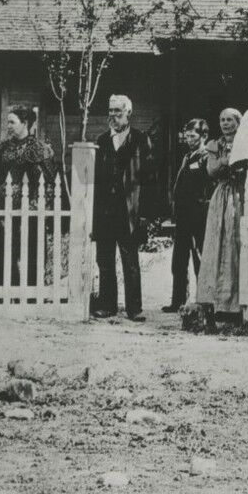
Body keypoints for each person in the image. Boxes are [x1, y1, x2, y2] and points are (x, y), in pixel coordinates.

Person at [92, 93, 152, 322]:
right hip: (105, 209)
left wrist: (145, 214)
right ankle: (107, 305)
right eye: (111, 111)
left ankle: (134, 308)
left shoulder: (140, 139)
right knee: (105, 259)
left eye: (118, 111)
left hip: (129, 210)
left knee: (130, 260)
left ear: (128, 112)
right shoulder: (102, 141)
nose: (113, 116)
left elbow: (148, 179)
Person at [194, 108, 245, 321]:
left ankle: (236, 303)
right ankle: (215, 302)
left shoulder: (245, 141)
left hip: (240, 195)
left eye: (230, 120)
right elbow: (212, 170)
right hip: (222, 194)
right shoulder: (215, 145)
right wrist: (226, 162)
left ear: (238, 122)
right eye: (222, 120)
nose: (226, 124)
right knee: (217, 243)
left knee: (236, 244)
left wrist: (228, 162)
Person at [164, 118, 212, 312]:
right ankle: (178, 301)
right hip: (183, 215)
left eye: (193, 136)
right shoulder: (187, 157)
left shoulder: (206, 156)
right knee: (179, 260)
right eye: (187, 136)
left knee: (199, 258)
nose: (189, 139)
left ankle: (204, 302)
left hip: (198, 215)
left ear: (204, 136)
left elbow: (207, 185)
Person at [0, 104, 56, 198]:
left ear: (25, 123)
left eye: (12, 122)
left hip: (32, 205)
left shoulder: (41, 149)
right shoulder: (2, 147)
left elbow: (50, 182)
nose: (8, 126)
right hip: (4, 203)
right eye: (8, 122)